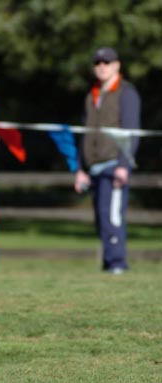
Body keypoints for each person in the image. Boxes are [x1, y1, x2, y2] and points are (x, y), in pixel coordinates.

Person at [74, 46, 141, 274]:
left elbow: (131, 132)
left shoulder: (126, 93)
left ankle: (117, 263)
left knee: (111, 215)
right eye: (98, 63)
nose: (102, 66)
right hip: (93, 166)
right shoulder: (91, 95)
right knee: (101, 217)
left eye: (107, 62)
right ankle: (108, 262)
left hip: (114, 164)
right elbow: (84, 133)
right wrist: (81, 168)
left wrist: (124, 165)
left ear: (117, 65)